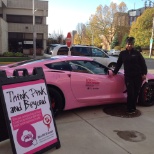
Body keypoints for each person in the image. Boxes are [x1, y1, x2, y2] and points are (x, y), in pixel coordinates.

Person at [112, 37, 147, 114]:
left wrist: (144, 73)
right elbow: (118, 64)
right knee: (130, 92)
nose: (129, 45)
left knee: (136, 92)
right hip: (128, 76)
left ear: (133, 45)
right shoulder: (122, 54)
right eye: (128, 44)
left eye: (131, 44)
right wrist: (114, 72)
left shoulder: (137, 53)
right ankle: (129, 108)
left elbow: (143, 64)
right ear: (126, 44)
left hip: (138, 76)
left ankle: (133, 108)